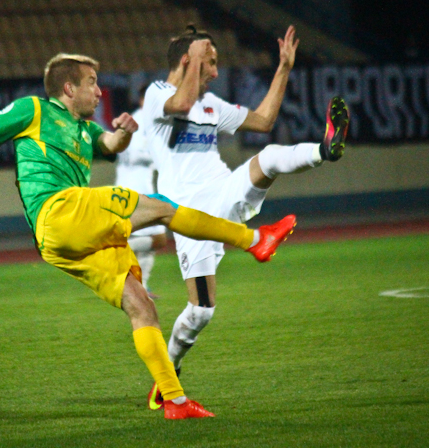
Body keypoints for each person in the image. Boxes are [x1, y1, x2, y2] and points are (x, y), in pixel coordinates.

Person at [0, 53, 296, 419]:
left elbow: (110, 145)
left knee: (141, 305)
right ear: (68, 88)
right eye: (92, 83)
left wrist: (124, 132)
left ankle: (174, 401)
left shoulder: (84, 128)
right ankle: (254, 240)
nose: (99, 91)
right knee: (162, 207)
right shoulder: (34, 109)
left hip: (63, 240)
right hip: (59, 210)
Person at [140, 25, 350, 410]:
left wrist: (283, 68)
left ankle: (325, 149)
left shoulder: (210, 104)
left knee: (268, 156)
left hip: (223, 192)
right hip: (187, 215)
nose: (215, 72)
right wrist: (196, 57)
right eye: (209, 62)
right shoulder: (157, 94)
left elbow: (264, 120)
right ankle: (167, 375)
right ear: (187, 61)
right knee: (200, 311)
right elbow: (181, 104)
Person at [114, 86, 167, 299]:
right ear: (143, 100)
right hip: (134, 188)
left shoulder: (150, 122)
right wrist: (160, 156)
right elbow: (134, 153)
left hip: (143, 186)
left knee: (153, 239)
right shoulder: (138, 121)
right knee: (158, 238)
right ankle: (115, 249)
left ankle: (142, 286)